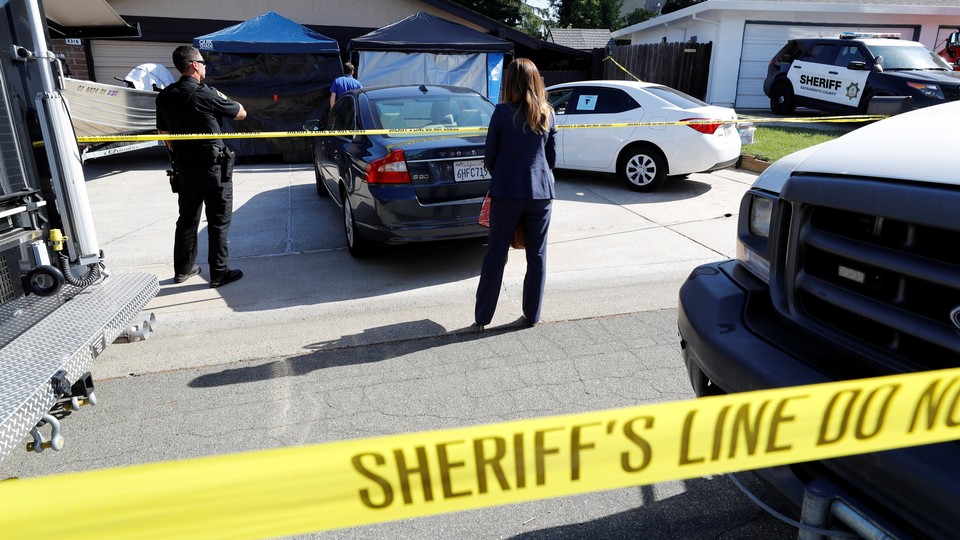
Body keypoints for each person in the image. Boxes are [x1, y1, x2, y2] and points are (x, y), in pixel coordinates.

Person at [474, 58, 557, 329]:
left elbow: (489, 158)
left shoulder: (500, 113)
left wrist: (507, 171)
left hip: (507, 192)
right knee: (537, 256)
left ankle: (482, 318)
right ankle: (532, 316)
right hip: (541, 193)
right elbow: (551, 159)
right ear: (536, 81)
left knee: (496, 255)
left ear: (509, 82)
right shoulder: (547, 113)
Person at [156, 45, 247, 288]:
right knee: (218, 220)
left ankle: (183, 270)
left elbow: (164, 132)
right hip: (213, 168)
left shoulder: (164, 96)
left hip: (184, 168)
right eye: (203, 62)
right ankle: (219, 273)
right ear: (194, 65)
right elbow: (241, 113)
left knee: (187, 218)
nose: (205, 65)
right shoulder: (206, 93)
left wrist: (179, 153)